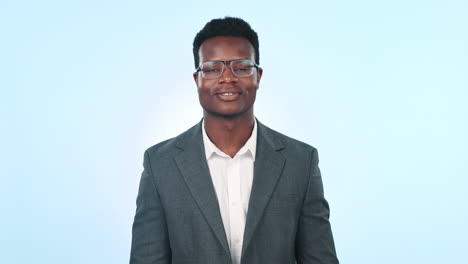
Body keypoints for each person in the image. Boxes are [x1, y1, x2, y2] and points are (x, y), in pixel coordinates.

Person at [130, 17, 339, 264]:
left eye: (241, 67)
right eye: (212, 68)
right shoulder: (160, 163)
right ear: (197, 79)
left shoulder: (300, 162)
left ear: (258, 76)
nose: (227, 77)